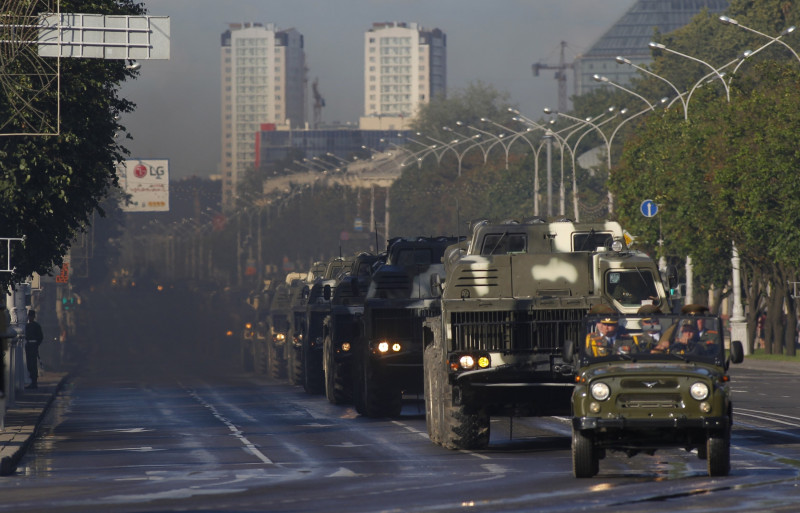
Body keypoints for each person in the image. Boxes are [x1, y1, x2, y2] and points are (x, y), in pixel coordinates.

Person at [25, 309, 44, 390]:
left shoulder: (36, 326)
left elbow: (40, 337)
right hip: (29, 345)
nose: (30, 318)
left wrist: (36, 344)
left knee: (33, 364)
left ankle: (34, 382)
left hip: (33, 346)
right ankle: (32, 381)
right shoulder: (28, 326)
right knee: (29, 364)